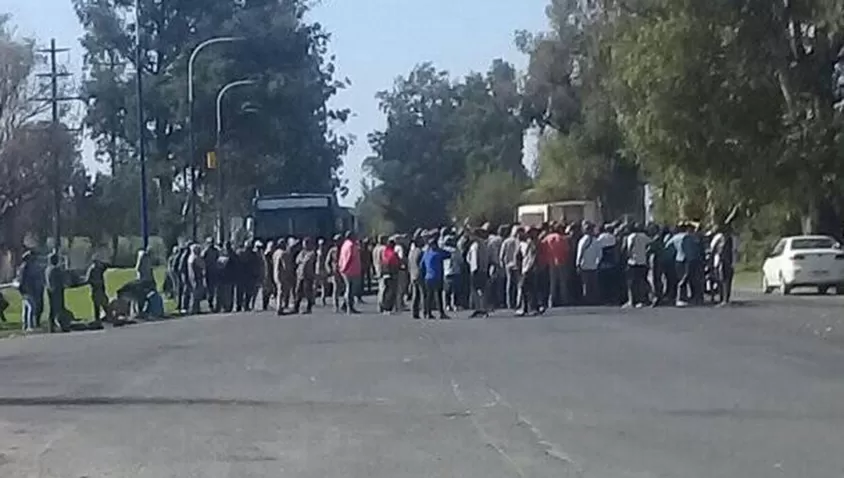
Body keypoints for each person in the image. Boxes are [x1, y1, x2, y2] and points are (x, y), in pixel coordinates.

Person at [420, 235, 450, 319]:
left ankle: (427, 313)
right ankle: (441, 313)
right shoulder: (438, 253)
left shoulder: (426, 253)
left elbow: (421, 265)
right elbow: (448, 254)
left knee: (429, 296)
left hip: (427, 277)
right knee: (438, 296)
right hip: (436, 277)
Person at [624, 224, 651, 308]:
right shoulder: (644, 236)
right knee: (642, 281)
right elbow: (651, 243)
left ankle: (632, 301)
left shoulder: (631, 237)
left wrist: (628, 256)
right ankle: (643, 300)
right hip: (643, 261)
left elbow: (629, 248)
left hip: (633, 262)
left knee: (631, 283)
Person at [543, 224, 570, 309]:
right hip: (561, 261)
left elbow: (542, 247)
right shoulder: (562, 238)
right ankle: (564, 299)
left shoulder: (547, 238)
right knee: (562, 282)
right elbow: (567, 250)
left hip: (550, 262)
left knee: (552, 282)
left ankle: (551, 301)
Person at [710, 224, 738, 305]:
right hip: (726, 261)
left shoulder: (720, 237)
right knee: (725, 280)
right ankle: (725, 298)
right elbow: (735, 251)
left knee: (723, 280)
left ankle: (724, 299)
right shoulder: (731, 238)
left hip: (722, 261)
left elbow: (712, 248)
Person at [518, 228, 540, 317]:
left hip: (528, 268)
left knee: (526, 287)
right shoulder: (522, 244)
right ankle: (527, 307)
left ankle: (531, 308)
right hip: (525, 267)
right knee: (526, 288)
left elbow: (533, 255)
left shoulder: (530, 243)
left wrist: (530, 266)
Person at [467, 228, 490, 318]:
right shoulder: (478, 244)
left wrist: (475, 268)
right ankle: (479, 309)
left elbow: (476, 258)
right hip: (477, 269)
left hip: (478, 269)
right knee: (477, 291)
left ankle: (482, 309)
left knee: (479, 290)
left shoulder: (479, 244)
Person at [577, 223, 601, 305]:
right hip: (594, 265)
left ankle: (587, 299)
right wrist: (597, 262)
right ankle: (594, 298)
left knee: (586, 283)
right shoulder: (596, 240)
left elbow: (580, 253)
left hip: (584, 264)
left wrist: (578, 263)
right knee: (594, 283)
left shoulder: (582, 240)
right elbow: (599, 254)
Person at [15, 251, 40, 332]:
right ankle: (30, 326)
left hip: (25, 290)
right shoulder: (26, 267)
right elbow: (24, 279)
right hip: (27, 290)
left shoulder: (22, 267)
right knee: (31, 307)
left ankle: (25, 326)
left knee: (25, 308)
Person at [338, 232, 361, 314]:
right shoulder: (351, 245)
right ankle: (349, 307)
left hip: (345, 269)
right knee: (350, 289)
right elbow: (349, 257)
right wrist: (346, 267)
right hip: (351, 270)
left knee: (349, 288)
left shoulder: (344, 245)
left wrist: (340, 266)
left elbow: (341, 257)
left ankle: (344, 305)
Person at [45, 253, 69, 332]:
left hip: (50, 290)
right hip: (57, 291)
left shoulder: (47, 269)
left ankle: (51, 327)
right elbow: (60, 280)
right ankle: (63, 326)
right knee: (59, 309)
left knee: (52, 310)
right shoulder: (56, 269)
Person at [294, 237, 317, 314]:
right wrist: (301, 260)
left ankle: (309, 308)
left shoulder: (312, 253)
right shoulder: (302, 252)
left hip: (308, 275)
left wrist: (302, 260)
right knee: (298, 291)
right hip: (300, 275)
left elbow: (306, 262)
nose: (305, 245)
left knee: (308, 292)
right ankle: (296, 307)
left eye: (306, 243)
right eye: (304, 243)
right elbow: (297, 260)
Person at [500, 225, 521, 310]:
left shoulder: (506, 241)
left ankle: (509, 303)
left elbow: (501, 254)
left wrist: (502, 263)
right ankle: (517, 302)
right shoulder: (518, 241)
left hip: (508, 265)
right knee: (518, 285)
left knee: (509, 285)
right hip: (517, 265)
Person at [380, 238, 401, 313]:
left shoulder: (385, 252)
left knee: (385, 291)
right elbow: (396, 263)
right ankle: (388, 307)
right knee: (391, 292)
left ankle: (383, 305)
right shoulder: (392, 254)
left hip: (385, 274)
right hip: (392, 274)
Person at [407, 233, 425, 319]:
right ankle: (424, 311)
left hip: (412, 274)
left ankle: (414, 312)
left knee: (415, 295)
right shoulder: (420, 252)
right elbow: (422, 264)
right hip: (419, 274)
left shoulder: (411, 252)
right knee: (423, 294)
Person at [187, 244, 206, 314]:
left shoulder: (190, 258)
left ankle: (195, 308)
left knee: (195, 293)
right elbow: (202, 266)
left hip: (192, 277)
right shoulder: (195, 258)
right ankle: (194, 308)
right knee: (196, 293)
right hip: (197, 277)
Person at [202, 240, 220, 311]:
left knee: (213, 288)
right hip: (208, 271)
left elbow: (217, 258)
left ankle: (212, 303)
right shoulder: (206, 251)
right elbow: (202, 259)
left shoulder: (216, 251)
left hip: (214, 271)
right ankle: (210, 302)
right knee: (209, 288)